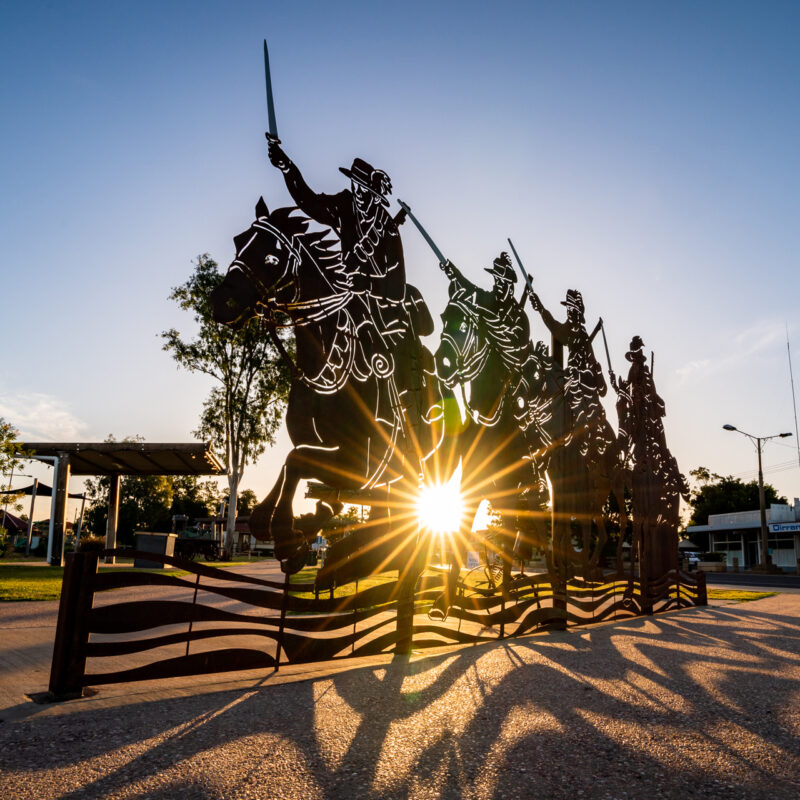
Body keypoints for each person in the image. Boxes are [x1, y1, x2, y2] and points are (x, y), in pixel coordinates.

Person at [529, 287, 612, 463]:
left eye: (573, 310)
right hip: (572, 376)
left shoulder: (582, 335)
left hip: (586, 380)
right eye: (568, 309)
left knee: (591, 405)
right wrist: (540, 308)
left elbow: (592, 359)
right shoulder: (567, 331)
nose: (570, 313)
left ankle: (594, 436)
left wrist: (599, 376)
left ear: (578, 312)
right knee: (562, 391)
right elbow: (552, 324)